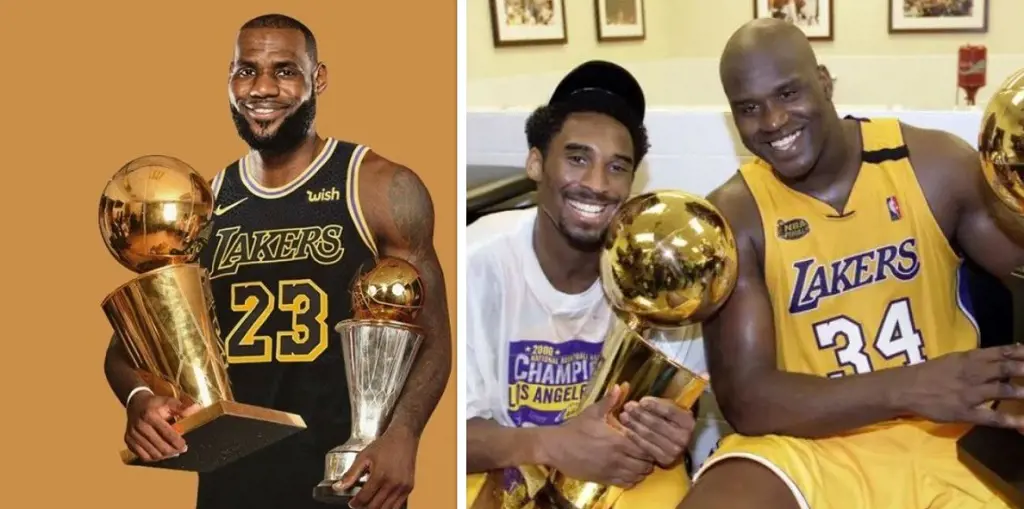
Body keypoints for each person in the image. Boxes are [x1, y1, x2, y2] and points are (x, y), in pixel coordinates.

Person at [102, 13, 451, 509]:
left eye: (285, 70)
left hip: (348, 482)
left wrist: (404, 435)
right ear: (229, 80)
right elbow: (126, 351)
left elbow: (434, 334)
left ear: (318, 78)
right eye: (246, 71)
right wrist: (140, 402)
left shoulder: (376, 187)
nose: (262, 88)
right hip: (231, 483)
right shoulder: (203, 206)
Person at [677, 18, 1024, 509]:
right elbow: (749, 401)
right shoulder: (736, 216)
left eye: (788, 93)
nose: (773, 121)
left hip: (949, 428)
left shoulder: (932, 165)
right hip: (807, 444)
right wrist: (910, 387)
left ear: (823, 81)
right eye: (749, 109)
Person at [465, 60, 718, 507]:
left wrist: (673, 429)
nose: (597, 184)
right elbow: (439, 435)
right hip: (499, 467)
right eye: (578, 159)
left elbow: (674, 404)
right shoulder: (475, 262)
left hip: (615, 474)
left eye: (617, 167)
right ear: (536, 164)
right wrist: (551, 444)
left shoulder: (661, 272)